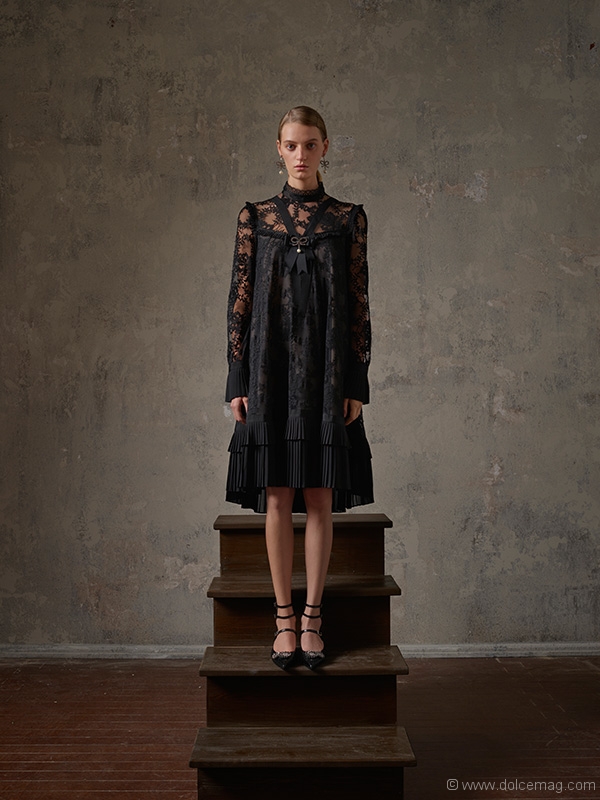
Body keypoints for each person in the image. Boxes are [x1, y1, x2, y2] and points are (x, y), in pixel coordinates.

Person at [225, 106, 373, 670]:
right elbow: (239, 299)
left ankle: (313, 617)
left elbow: (358, 302)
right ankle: (283, 618)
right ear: (279, 149)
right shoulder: (255, 218)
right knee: (277, 495)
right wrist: (237, 379)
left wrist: (356, 381)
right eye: (291, 145)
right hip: (269, 370)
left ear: (325, 147)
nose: (301, 154)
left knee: (319, 495)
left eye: (310, 144)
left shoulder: (348, 219)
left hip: (327, 371)